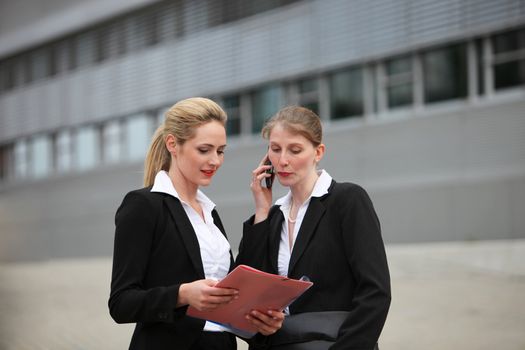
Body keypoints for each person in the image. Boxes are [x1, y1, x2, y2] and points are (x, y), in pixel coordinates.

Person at [109, 97, 284, 350]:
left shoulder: (209, 213)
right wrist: (182, 295)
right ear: (173, 144)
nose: (215, 160)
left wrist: (262, 209)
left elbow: (235, 288)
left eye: (220, 150)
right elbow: (121, 303)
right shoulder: (143, 206)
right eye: (204, 150)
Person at [236, 106, 391, 349]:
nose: (283, 160)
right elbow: (245, 293)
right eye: (275, 149)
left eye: (295, 150)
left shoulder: (347, 200)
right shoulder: (272, 216)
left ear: (318, 152)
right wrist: (262, 210)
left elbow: (375, 292)